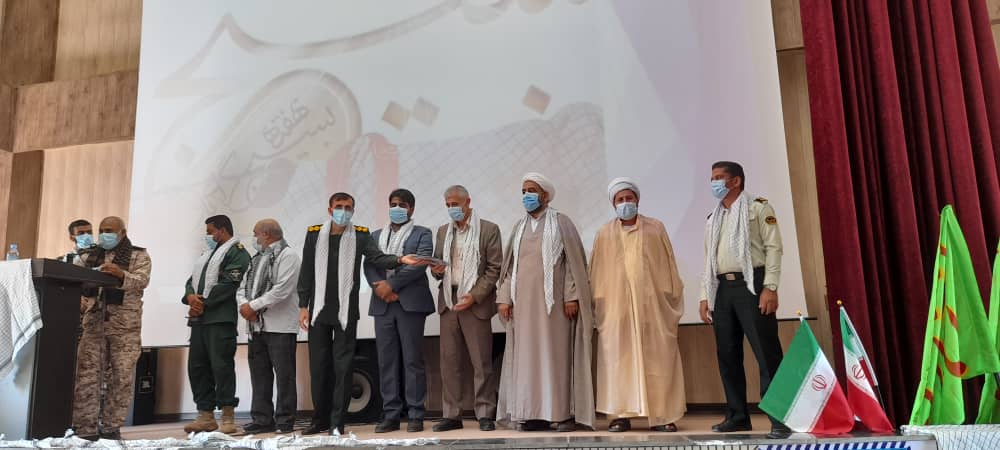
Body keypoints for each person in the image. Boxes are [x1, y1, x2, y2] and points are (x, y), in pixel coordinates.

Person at [297, 192, 427, 436]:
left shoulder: (360, 234)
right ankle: (319, 419)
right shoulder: (314, 234)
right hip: (318, 310)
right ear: (330, 209)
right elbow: (306, 270)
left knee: (343, 368)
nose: (343, 211)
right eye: (339, 207)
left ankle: (337, 422)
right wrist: (303, 305)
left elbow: (378, 258)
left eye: (348, 207)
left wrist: (400, 259)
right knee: (319, 367)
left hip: (346, 311)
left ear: (353, 211)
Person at [495, 173, 595, 432]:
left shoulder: (562, 222)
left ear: (546, 195)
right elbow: (510, 268)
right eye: (524, 191)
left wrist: (571, 295)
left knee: (555, 358)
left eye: (532, 190)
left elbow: (573, 264)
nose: (527, 195)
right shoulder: (518, 227)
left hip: (555, 309)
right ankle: (532, 414)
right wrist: (504, 298)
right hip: (523, 308)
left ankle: (561, 414)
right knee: (527, 361)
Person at [698, 161, 790, 439]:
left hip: (753, 284)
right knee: (727, 354)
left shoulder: (758, 208)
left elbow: (774, 248)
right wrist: (704, 296)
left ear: (735, 181)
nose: (713, 183)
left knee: (766, 352)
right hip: (722, 289)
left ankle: (779, 419)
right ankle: (737, 416)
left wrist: (770, 287)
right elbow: (708, 259)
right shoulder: (713, 218)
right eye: (712, 178)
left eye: (719, 177)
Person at [590, 178, 686, 432]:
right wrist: (602, 308)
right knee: (618, 362)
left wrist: (668, 299)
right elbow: (597, 274)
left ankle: (662, 416)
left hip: (653, 309)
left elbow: (668, 266)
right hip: (617, 311)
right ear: (613, 204)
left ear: (637, 200)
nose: (625, 203)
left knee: (658, 360)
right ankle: (619, 416)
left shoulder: (655, 228)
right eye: (620, 200)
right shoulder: (603, 234)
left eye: (629, 198)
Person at [429, 185, 503, 433]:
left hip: (475, 302)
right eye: (448, 205)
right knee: (449, 362)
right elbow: (437, 268)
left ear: (468, 202)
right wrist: (435, 270)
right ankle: (452, 414)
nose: (452, 209)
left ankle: (485, 413)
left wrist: (475, 295)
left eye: (455, 204)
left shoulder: (489, 229)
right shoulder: (443, 231)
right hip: (449, 300)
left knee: (481, 362)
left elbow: (494, 268)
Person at [72, 216, 151, 440]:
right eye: (101, 230)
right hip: (94, 324)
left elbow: (142, 281)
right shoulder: (88, 255)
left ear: (122, 233)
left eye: (109, 230)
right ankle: (84, 428)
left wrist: (121, 274)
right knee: (87, 376)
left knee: (121, 377)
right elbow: (74, 278)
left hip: (125, 327)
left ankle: (110, 427)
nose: (104, 234)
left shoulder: (139, 255)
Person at [364, 188, 435, 433]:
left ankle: (415, 414)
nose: (397, 208)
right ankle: (391, 414)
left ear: (411, 209)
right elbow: (369, 264)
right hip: (382, 304)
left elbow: (420, 263)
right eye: (393, 204)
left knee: (412, 360)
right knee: (387, 361)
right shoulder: (375, 235)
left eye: (402, 205)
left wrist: (391, 285)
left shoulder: (422, 233)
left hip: (410, 304)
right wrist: (380, 288)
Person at [181, 215, 251, 434]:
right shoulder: (206, 255)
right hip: (199, 321)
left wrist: (203, 303)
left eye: (210, 232)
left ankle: (228, 417)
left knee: (221, 367)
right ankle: (205, 416)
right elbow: (190, 281)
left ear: (222, 230)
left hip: (220, 319)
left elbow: (230, 283)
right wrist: (191, 297)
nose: (208, 236)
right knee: (197, 367)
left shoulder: (237, 252)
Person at [237, 219, 301, 434]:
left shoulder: (288, 256)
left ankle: (285, 420)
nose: (254, 238)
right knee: (260, 375)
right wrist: (245, 305)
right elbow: (242, 287)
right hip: (256, 326)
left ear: (266, 234)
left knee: (284, 376)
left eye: (255, 234)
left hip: (280, 326)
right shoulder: (256, 258)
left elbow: (282, 290)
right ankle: (262, 419)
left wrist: (253, 306)